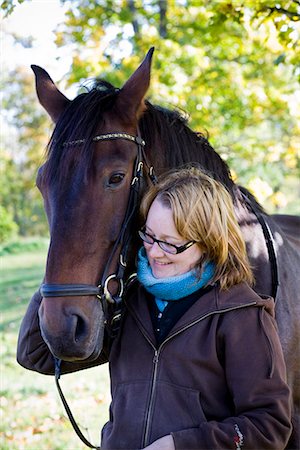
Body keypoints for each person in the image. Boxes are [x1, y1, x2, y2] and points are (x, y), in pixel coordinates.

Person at [17, 166, 292, 449]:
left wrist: (179, 445)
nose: (154, 252)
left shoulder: (241, 315)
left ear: (209, 243)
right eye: (149, 236)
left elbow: (270, 425)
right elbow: (35, 353)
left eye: (170, 244)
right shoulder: (127, 302)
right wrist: (64, 266)